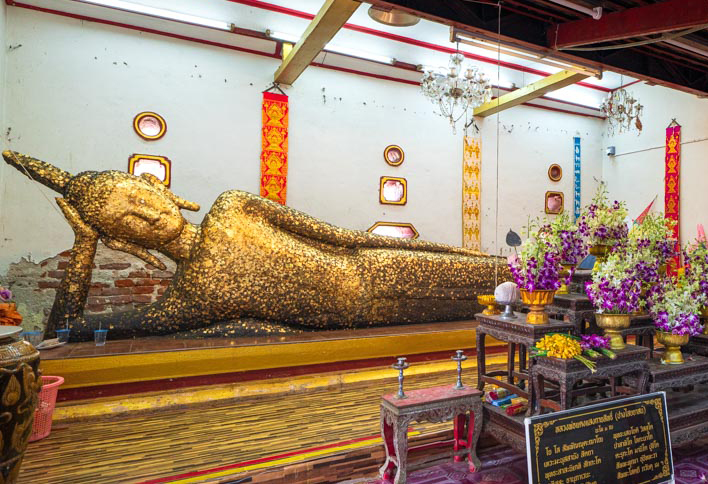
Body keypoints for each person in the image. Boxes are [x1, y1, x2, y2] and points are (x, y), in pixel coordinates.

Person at [3, 151, 508, 338]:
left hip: (375, 267)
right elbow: (64, 330)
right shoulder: (188, 299)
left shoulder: (234, 207)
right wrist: (85, 243)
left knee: (505, 276)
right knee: (496, 307)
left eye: (140, 195)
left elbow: (344, 236)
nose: (147, 212)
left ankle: (538, 273)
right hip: (364, 315)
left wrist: (466, 253)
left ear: (159, 187)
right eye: (126, 218)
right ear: (121, 238)